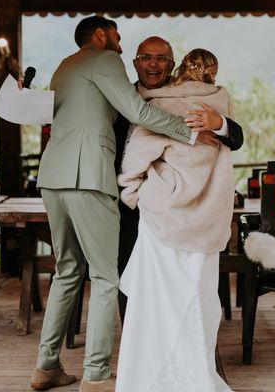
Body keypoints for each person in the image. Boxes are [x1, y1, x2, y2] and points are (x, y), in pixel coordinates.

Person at [30, 16, 209, 392]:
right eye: (117, 35)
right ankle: (96, 374)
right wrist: (189, 131)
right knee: (106, 277)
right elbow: (139, 112)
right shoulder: (104, 60)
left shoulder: (65, 66)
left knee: (66, 272)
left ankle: (46, 367)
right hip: (88, 177)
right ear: (100, 34)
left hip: (52, 177)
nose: (121, 45)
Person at [116, 49, 235, 391]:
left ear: (176, 66)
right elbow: (231, 140)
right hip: (206, 218)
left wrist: (134, 195)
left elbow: (134, 161)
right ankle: (194, 370)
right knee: (199, 299)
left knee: (154, 301)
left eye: (161, 59)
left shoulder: (158, 104)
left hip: (161, 216)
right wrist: (219, 122)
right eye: (146, 57)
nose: (153, 64)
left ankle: (149, 374)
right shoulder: (219, 102)